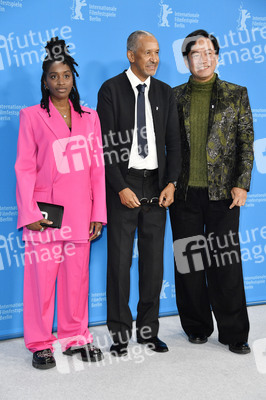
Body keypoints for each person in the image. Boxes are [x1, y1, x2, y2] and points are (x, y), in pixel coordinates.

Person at [15, 37, 107, 369]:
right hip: (45, 215)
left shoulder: (90, 118)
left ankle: (74, 338)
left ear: (73, 78)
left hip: (81, 213)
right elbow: (24, 168)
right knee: (41, 284)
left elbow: (98, 168)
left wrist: (98, 212)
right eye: (54, 76)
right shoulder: (31, 116)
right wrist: (28, 213)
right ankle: (40, 343)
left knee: (76, 281)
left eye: (66, 75)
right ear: (44, 81)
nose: (60, 82)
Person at [97, 30, 181, 356]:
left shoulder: (164, 93)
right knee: (119, 265)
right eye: (148, 53)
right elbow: (104, 147)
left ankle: (148, 332)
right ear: (131, 55)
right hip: (124, 183)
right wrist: (119, 187)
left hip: (157, 187)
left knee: (153, 266)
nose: (155, 59)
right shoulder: (111, 91)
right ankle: (119, 336)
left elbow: (173, 143)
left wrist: (172, 182)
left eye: (157, 52)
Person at [170, 29, 254, 354]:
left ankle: (235, 333)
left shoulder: (237, 94)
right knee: (190, 263)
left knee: (226, 264)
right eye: (195, 53)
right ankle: (196, 326)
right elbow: (169, 147)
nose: (202, 58)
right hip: (184, 196)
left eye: (208, 52)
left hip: (224, 196)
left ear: (217, 56)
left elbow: (247, 143)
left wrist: (242, 183)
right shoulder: (173, 97)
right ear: (186, 59)